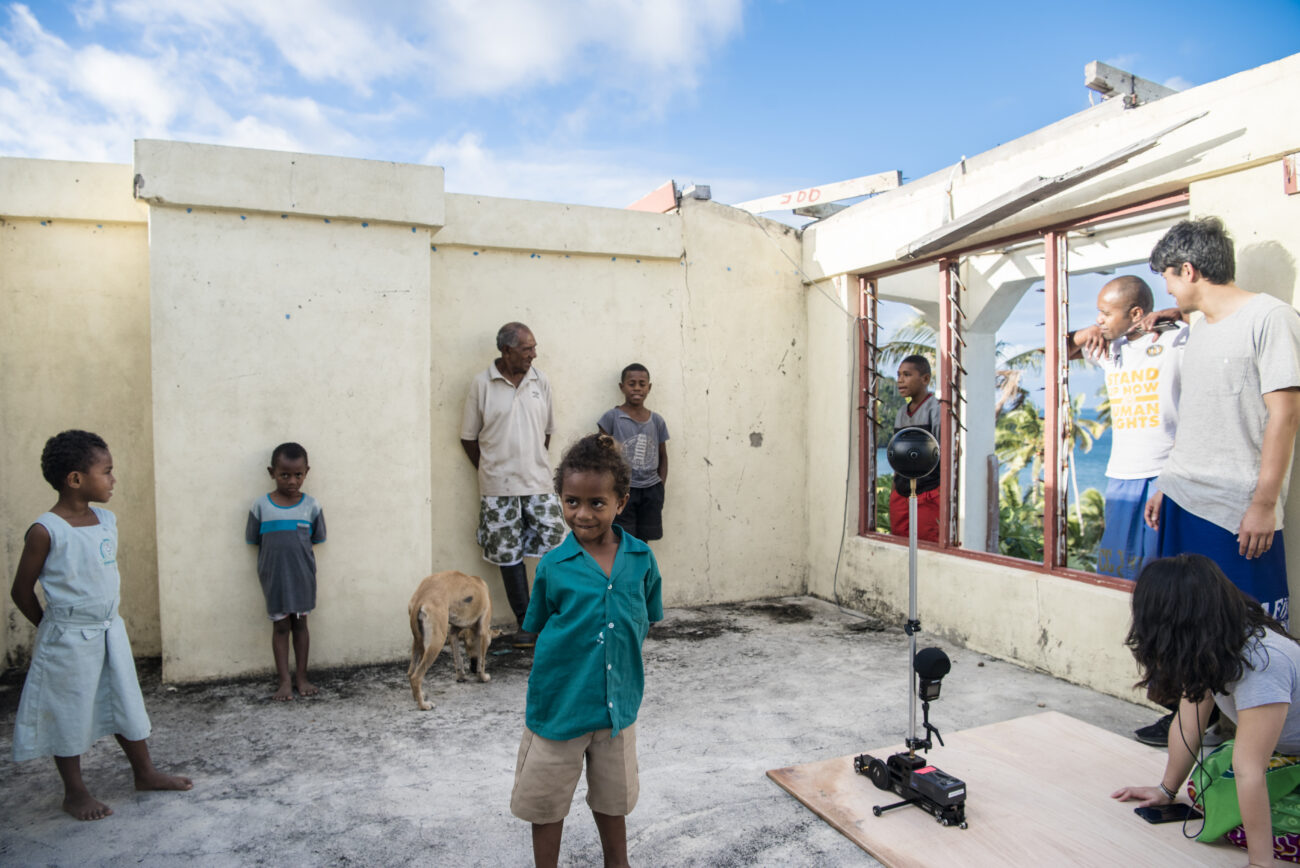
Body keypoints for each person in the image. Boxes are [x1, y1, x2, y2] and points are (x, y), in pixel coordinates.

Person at [1135, 217, 1300, 751]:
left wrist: (1264, 503)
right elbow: (1197, 417)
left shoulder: (1271, 318)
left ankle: (1259, 742)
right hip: (1184, 496)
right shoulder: (1199, 328)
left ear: (1190, 269)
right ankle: (1191, 722)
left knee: (1252, 630)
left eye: (1168, 276)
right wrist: (1167, 480)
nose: (1167, 288)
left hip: (1237, 507)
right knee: (1186, 624)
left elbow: (1286, 415)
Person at [10, 430, 192, 820]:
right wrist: (49, 627)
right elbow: (21, 590)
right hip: (67, 638)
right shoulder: (46, 530)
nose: (113, 479)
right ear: (75, 479)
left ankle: (144, 773)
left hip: (110, 630)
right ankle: (75, 792)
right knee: (69, 709)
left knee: (124, 698)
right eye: (107, 471)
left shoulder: (106, 520)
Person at [510, 434, 663, 868]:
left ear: (621, 502)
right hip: (560, 708)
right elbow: (540, 628)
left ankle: (619, 863)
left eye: (597, 502)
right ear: (561, 499)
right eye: (572, 501)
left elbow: (644, 620)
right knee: (547, 803)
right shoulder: (553, 567)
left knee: (613, 799)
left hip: (616, 711)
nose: (583, 513)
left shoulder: (641, 560)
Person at [1113, 554, 1300, 866]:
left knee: (1247, 812)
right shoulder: (1211, 646)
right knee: (1204, 786)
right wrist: (1165, 791)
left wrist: (1259, 862)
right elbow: (1189, 727)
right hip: (1283, 753)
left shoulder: (1262, 663)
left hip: (1282, 756)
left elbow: (1249, 768)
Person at [1068, 275, 1188, 580]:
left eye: (1106, 314)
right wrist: (1083, 335)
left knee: (1162, 573)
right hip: (1121, 475)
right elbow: (1053, 351)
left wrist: (1177, 313)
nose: (1099, 320)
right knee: (1115, 571)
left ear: (1135, 313)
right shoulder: (1108, 349)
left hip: (1164, 476)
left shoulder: (1175, 339)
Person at [461, 322, 567, 647]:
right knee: (509, 556)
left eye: (534, 347)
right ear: (506, 351)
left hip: (538, 482)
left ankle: (561, 617)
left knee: (559, 546)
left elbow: (546, 432)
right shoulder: (482, 384)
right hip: (498, 488)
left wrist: (529, 462)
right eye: (527, 349)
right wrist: (493, 469)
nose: (534, 354)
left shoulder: (540, 380)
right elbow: (468, 438)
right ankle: (527, 626)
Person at [245, 442, 326, 701]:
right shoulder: (261, 506)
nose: (292, 481)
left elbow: (317, 537)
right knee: (280, 627)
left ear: (306, 472)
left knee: (301, 626)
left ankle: (302, 677)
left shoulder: (311, 506)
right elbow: (253, 539)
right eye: (285, 475)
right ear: (272, 472)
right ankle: (284, 681)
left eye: (298, 475)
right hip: (274, 579)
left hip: (302, 578)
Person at [597, 363, 670, 541]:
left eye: (642, 384)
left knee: (644, 541)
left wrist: (660, 486)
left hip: (651, 491)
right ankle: (624, 569)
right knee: (622, 539)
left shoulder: (657, 421)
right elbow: (602, 456)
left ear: (649, 387)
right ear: (622, 387)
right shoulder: (611, 418)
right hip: (623, 490)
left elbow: (662, 455)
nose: (637, 388)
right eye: (631, 383)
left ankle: (642, 569)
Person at [889, 355, 941, 542]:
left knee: (926, 546)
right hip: (901, 494)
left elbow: (944, 455)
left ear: (925, 379)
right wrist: (894, 492)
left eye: (907, 374)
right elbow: (898, 459)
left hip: (928, 494)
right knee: (900, 546)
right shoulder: (902, 413)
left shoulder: (936, 410)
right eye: (899, 375)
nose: (900, 380)